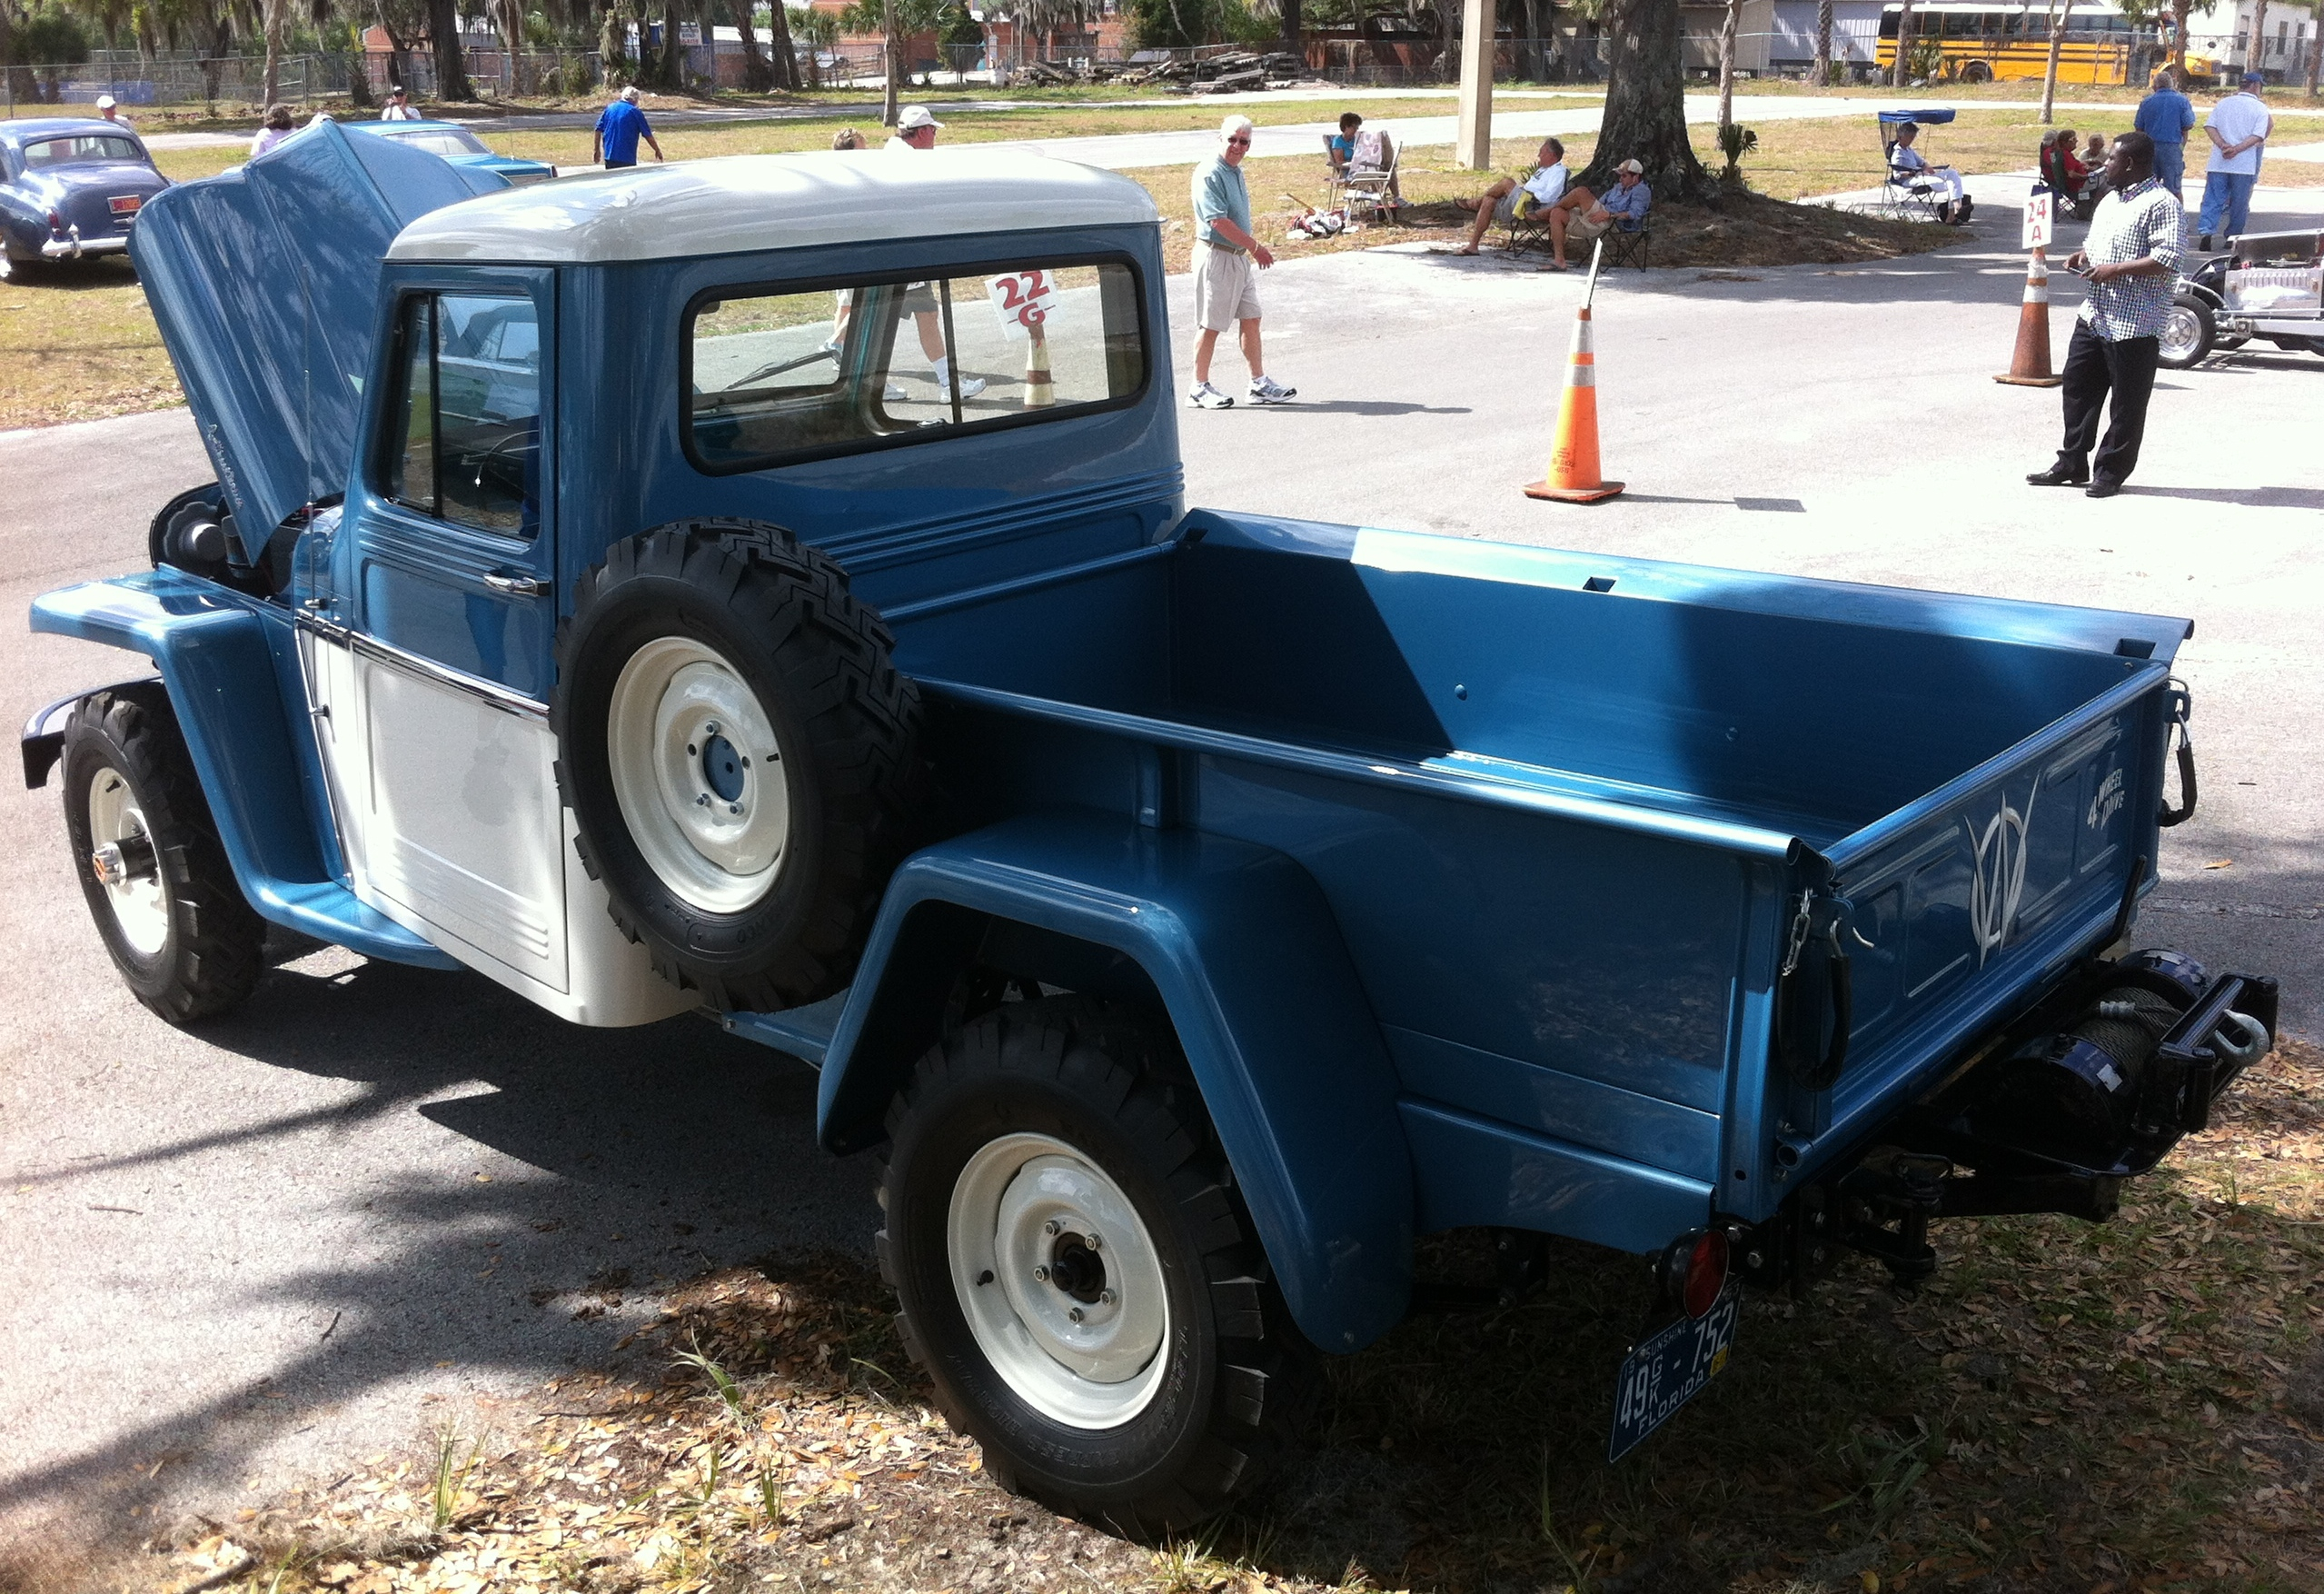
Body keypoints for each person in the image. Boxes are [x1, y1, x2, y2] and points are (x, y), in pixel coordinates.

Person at [2027, 132, 2181, 500]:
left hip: (2135, 322)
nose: (2105, 164)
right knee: (2078, 389)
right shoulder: (2111, 199)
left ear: (2129, 163)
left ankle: (2110, 472)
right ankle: (2071, 462)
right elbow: (2102, 242)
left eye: (2111, 160)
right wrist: (2084, 255)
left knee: (2126, 403)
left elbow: (2168, 258)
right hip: (2095, 314)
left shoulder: (2162, 203)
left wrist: (2115, 270)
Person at [879, 107, 987, 401]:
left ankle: (945, 383)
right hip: (904, 258)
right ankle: (874, 384)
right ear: (923, 131)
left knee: (924, 315)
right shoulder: (913, 163)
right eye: (934, 131)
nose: (936, 137)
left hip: (898, 255)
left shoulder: (892, 153)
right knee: (884, 322)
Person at [1187, 115, 1293, 409]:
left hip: (1238, 258)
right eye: (1231, 139)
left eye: (1243, 141)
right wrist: (1256, 247)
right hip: (1217, 255)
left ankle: (1258, 384)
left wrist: (1248, 250)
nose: (1237, 146)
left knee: (1251, 317)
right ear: (1220, 138)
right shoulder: (1210, 172)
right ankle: (1198, 387)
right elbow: (1218, 221)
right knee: (1211, 324)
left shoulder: (1235, 170)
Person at [1450, 136, 1568, 257]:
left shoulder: (1558, 172)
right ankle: (1473, 246)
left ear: (1552, 155)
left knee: (1507, 182)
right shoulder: (1543, 170)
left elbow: (1550, 196)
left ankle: (1474, 203)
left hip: (1533, 206)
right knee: (1488, 200)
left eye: (1542, 152)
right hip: (1521, 202)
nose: (1539, 155)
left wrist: (1529, 195)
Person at [2196, 72, 2270, 249]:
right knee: (2239, 202)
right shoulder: (2259, 108)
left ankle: (2206, 232)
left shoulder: (2224, 103)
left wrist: (2223, 145)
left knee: (2213, 199)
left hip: (2219, 161)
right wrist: (2237, 149)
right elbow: (2257, 136)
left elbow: (2209, 126)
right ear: (2255, 86)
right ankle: (2232, 236)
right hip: (2243, 164)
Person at [1544, 158, 1652, 272]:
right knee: (1557, 213)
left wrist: (1610, 215)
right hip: (1597, 219)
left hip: (1614, 222)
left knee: (1581, 192)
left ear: (1635, 177)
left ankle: (1544, 213)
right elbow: (1601, 201)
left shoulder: (1641, 191)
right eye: (1620, 176)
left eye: (1624, 176)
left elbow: (1635, 214)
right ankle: (1559, 261)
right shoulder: (1618, 187)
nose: (1620, 179)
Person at [1889, 120, 1971, 223]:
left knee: (1952, 174)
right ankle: (1953, 215)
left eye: (1913, 137)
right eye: (1910, 137)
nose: (1912, 139)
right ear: (1901, 137)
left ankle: (1957, 208)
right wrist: (1913, 173)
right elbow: (1897, 175)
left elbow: (1922, 162)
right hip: (1909, 180)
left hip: (1922, 175)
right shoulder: (1897, 153)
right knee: (1949, 184)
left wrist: (1928, 168)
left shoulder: (1909, 150)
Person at [2133, 69, 2197, 198]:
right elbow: (2189, 124)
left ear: (2155, 86)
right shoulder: (2182, 101)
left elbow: (2138, 128)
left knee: (2148, 188)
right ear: (2171, 84)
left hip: (2150, 147)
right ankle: (2177, 215)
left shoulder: (2147, 102)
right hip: (2172, 148)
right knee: (2174, 189)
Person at [593, 85, 663, 169]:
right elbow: (647, 135)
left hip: (609, 156)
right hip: (626, 157)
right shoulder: (635, 112)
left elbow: (598, 129)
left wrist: (597, 150)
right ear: (635, 99)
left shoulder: (609, 108)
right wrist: (657, 150)